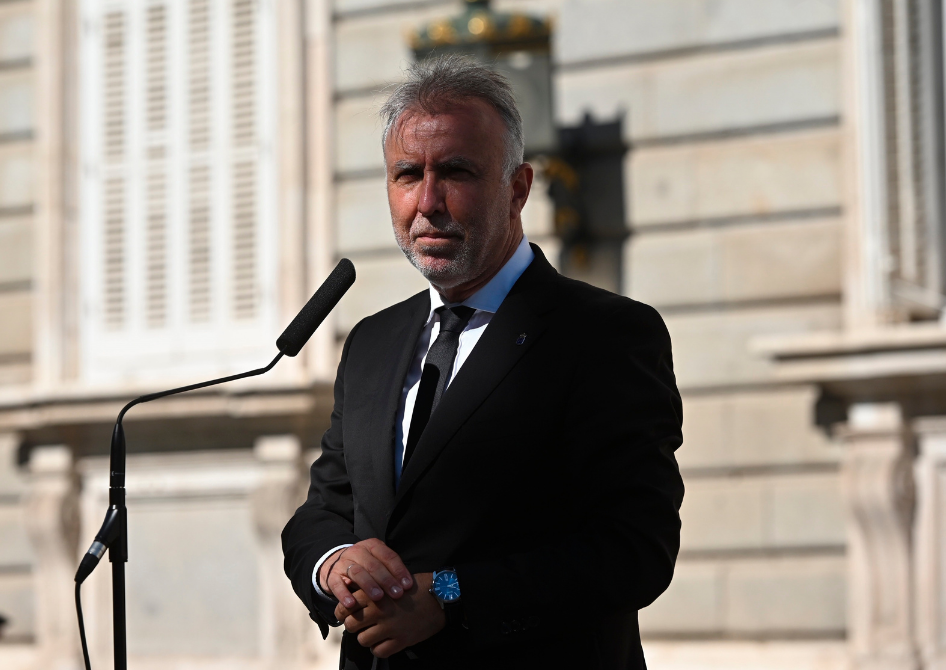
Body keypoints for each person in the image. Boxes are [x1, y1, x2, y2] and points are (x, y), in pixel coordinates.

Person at [282, 55, 684, 670]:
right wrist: (333, 565)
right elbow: (325, 509)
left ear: (518, 188)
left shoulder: (604, 335)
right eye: (407, 174)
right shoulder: (371, 343)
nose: (428, 201)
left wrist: (451, 596)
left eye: (456, 172)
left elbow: (636, 549)